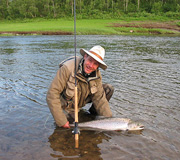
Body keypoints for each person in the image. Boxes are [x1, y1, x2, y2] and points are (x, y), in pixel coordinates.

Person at [46, 45, 114, 129]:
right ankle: (68, 116)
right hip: (67, 106)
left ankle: (93, 116)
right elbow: (52, 94)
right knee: (69, 128)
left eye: (95, 64)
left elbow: (99, 99)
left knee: (108, 89)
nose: (91, 65)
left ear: (98, 66)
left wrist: (109, 121)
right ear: (85, 56)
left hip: (81, 100)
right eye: (90, 60)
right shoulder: (67, 68)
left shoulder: (97, 75)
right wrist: (61, 121)